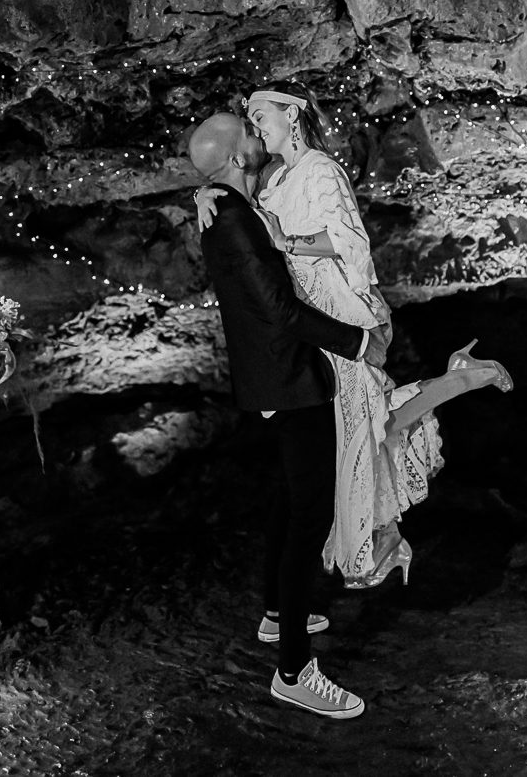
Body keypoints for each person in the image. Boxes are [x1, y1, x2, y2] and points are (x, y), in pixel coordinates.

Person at [196, 82, 512, 589]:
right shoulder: (276, 176)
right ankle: (457, 380)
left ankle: (455, 389)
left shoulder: (322, 170)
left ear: (293, 116)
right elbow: (242, 200)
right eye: (250, 121)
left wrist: (289, 240)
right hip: (314, 320)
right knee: (363, 428)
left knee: (363, 429)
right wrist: (205, 190)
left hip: (339, 311)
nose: (256, 126)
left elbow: (350, 242)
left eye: (262, 116)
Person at [188, 111, 384, 720]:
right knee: (309, 516)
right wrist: (356, 342)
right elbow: (276, 308)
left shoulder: (229, 208)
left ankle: (276, 613)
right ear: (239, 156)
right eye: (246, 130)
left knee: (285, 497)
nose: (255, 131)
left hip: (278, 377)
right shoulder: (233, 218)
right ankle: (295, 670)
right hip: (290, 380)